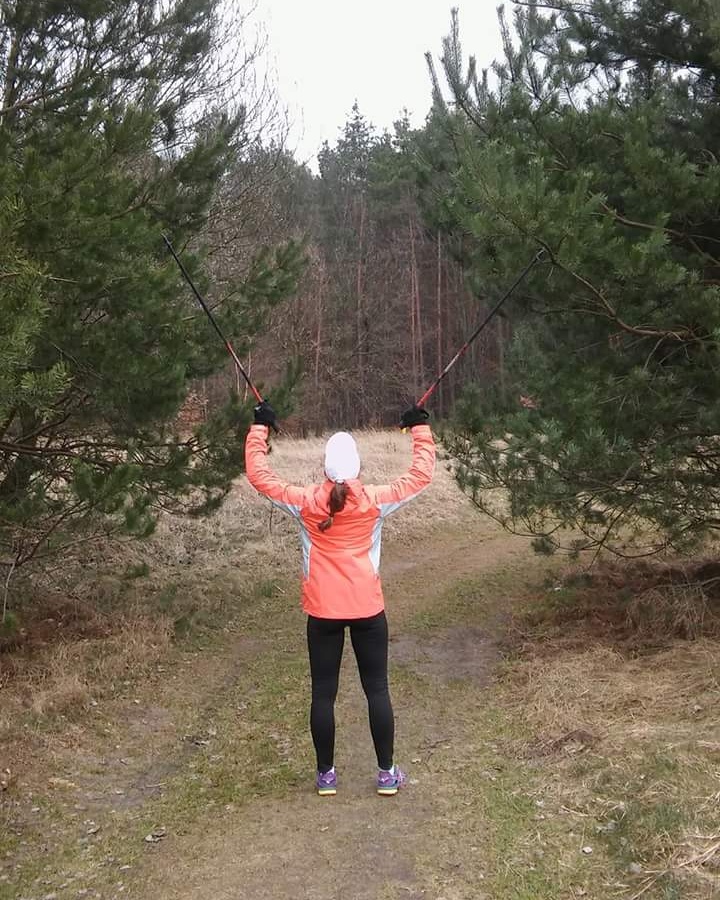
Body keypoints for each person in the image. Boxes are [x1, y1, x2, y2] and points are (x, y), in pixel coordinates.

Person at [245, 402, 436, 796]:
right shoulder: (375, 500)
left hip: (323, 612)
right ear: (359, 469)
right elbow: (421, 476)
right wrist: (419, 429)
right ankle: (386, 775)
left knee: (323, 693)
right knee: (377, 689)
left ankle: (326, 777)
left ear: (324, 469)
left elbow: (259, 476)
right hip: (368, 609)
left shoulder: (303, 501)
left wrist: (259, 428)